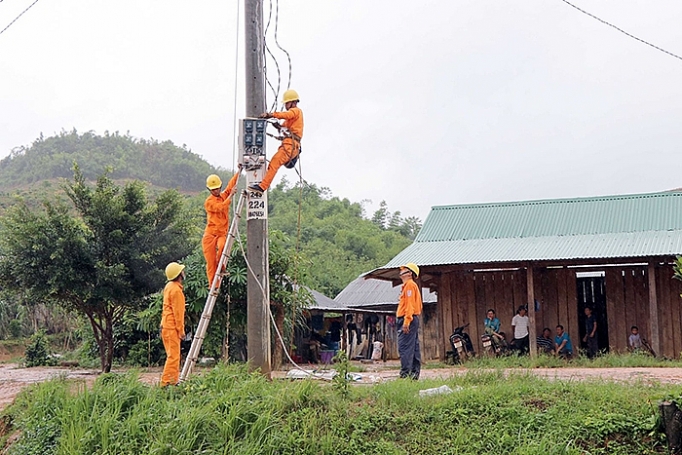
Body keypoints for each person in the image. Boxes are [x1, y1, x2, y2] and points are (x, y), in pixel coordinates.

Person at [248, 89, 303, 194]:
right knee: (274, 163)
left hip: (291, 146)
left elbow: (287, 114)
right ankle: (262, 185)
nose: (286, 105)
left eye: (287, 103)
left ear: (293, 102)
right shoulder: (291, 121)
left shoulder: (296, 111)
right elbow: (285, 129)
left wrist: (272, 115)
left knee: (275, 162)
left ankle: (262, 187)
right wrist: (277, 125)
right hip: (288, 145)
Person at [202, 169, 241, 288]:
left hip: (221, 234)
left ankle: (222, 266)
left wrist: (239, 172)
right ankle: (213, 285)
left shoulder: (223, 196)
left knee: (223, 246)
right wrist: (231, 196)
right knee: (211, 262)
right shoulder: (209, 202)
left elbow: (230, 186)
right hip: (210, 235)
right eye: (213, 189)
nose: (216, 191)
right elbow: (220, 208)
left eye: (218, 188)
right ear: (209, 190)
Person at [160, 262, 186, 387]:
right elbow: (178, 313)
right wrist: (181, 331)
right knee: (173, 357)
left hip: (165, 326)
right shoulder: (176, 291)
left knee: (172, 356)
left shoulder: (169, 286)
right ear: (179, 274)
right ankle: (166, 384)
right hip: (172, 327)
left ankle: (172, 381)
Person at [396, 262, 422, 379]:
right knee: (413, 347)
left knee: (405, 347)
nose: (400, 273)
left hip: (408, 320)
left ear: (409, 273)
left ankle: (405, 375)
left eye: (403, 270)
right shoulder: (408, 286)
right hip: (412, 319)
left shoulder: (409, 286)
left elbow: (410, 305)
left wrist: (406, 322)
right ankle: (414, 375)